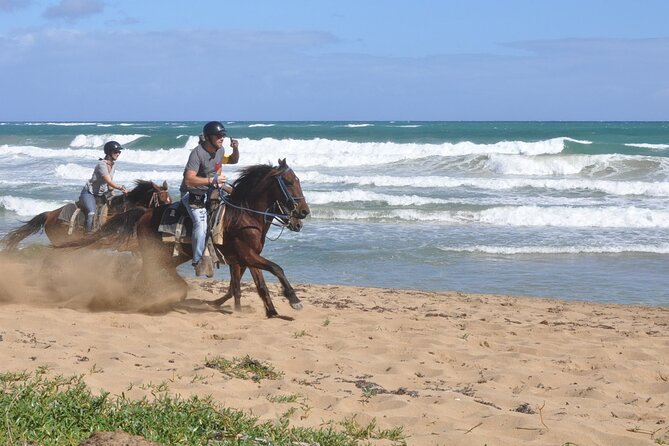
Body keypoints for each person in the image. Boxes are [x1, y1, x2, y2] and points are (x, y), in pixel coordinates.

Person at [180, 121, 239, 276]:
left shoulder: (220, 150)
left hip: (211, 189)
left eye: (223, 135)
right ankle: (198, 259)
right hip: (192, 193)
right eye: (218, 135)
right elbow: (188, 180)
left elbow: (233, 160)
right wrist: (212, 181)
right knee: (201, 225)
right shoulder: (197, 153)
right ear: (207, 137)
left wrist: (236, 149)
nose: (222, 138)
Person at [79, 140, 128, 233]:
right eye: (116, 152)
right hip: (89, 193)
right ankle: (88, 234)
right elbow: (108, 180)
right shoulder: (102, 164)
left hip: (101, 194)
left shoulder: (113, 165)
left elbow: (110, 184)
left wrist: (113, 195)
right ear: (109, 152)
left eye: (119, 152)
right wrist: (122, 188)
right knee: (92, 213)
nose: (118, 154)